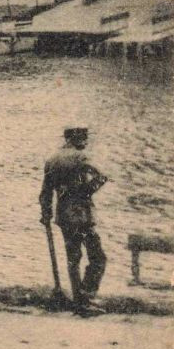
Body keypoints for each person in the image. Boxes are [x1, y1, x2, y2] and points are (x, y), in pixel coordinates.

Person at [41, 126, 110, 314]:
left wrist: (45, 214)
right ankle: (87, 295)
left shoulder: (52, 160)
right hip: (82, 216)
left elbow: (46, 193)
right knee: (98, 257)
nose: (86, 142)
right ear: (75, 139)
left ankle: (78, 300)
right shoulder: (81, 157)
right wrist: (86, 191)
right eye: (84, 139)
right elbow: (102, 176)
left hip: (63, 216)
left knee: (73, 258)